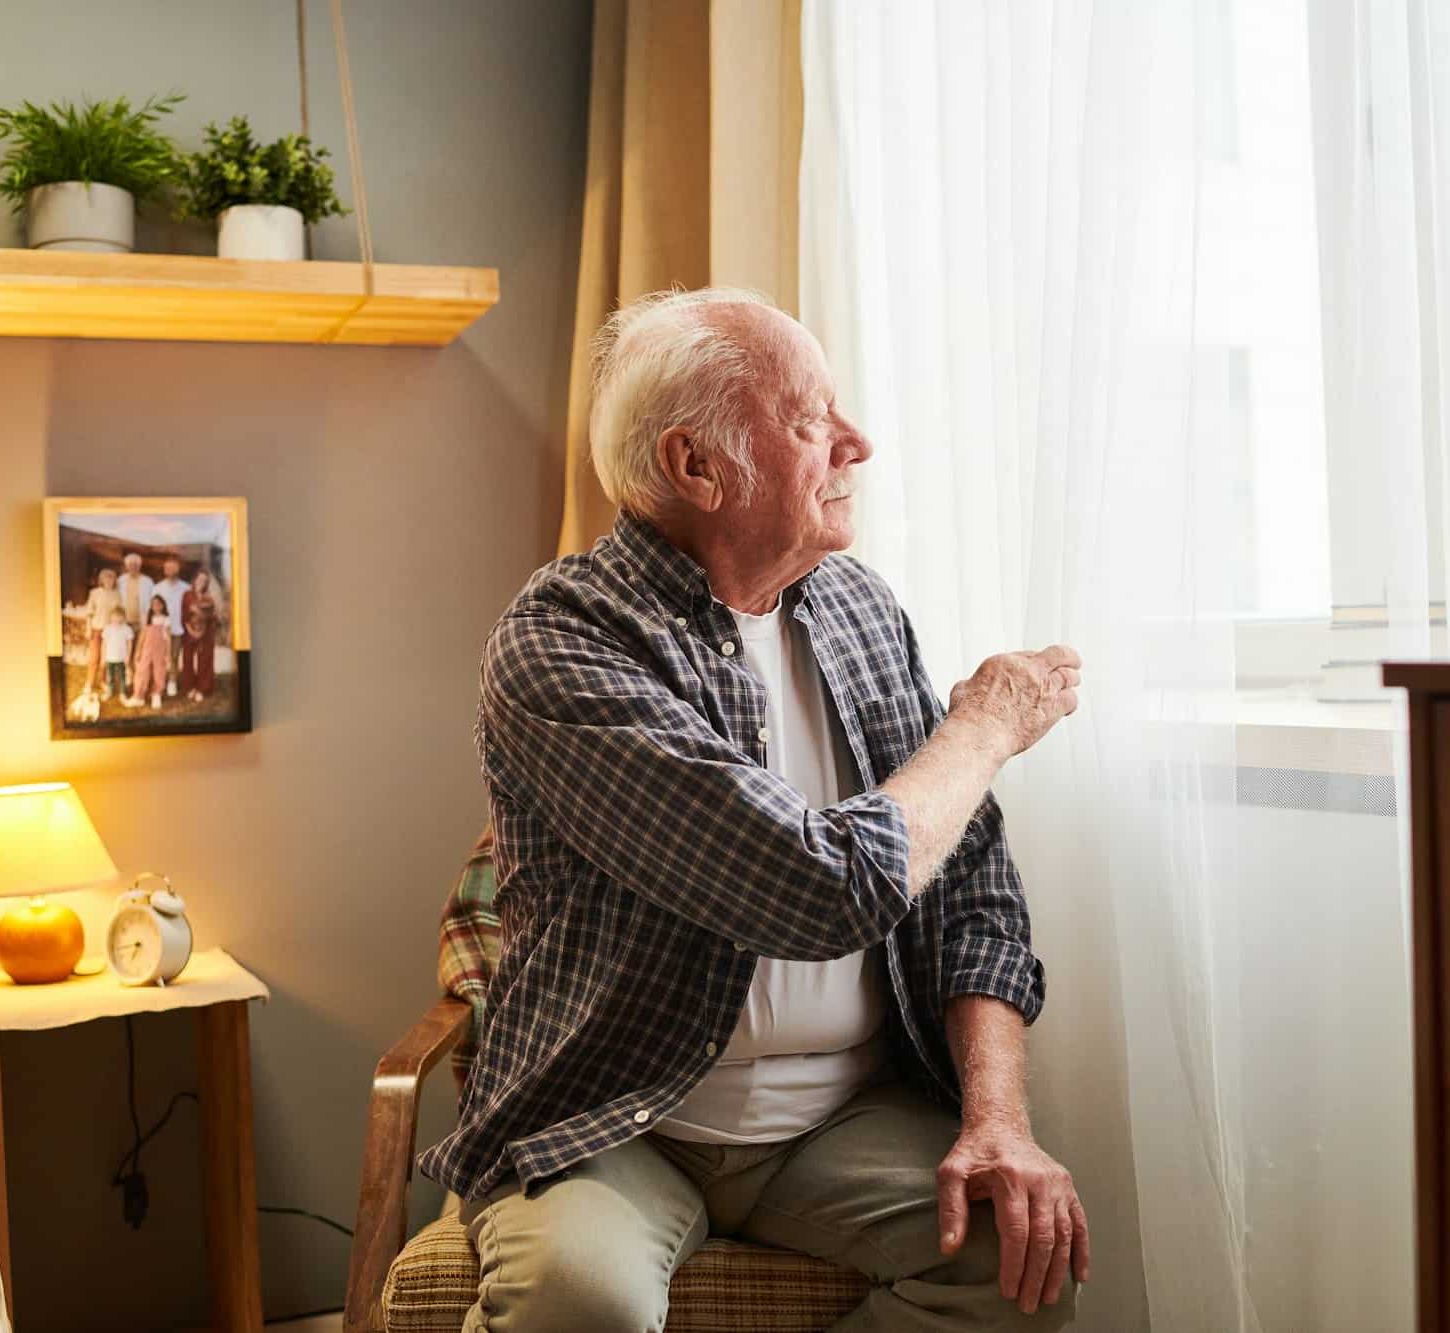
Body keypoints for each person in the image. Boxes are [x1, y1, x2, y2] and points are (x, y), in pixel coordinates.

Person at [418, 289, 1086, 1331]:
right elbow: (816, 888)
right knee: (576, 1300)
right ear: (697, 467)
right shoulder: (565, 643)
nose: (855, 442)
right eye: (812, 417)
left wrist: (997, 1117)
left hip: (841, 1114)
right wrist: (986, 724)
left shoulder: (859, 608)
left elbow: (970, 893)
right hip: (616, 1114)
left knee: (1019, 1253)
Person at [179, 569, 220, 702]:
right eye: (199, 579)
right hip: (189, 631)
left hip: (206, 633)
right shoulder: (187, 595)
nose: (201, 582)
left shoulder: (209, 597)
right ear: (195, 579)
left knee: (205, 661)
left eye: (204, 580)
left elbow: (213, 617)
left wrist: (204, 629)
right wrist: (191, 631)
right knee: (188, 660)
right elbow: (184, 615)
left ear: (206, 583)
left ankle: (203, 688)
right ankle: (190, 687)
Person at [154, 556, 191, 696]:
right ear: (164, 570)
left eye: (172, 567)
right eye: (167, 568)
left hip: (178, 629)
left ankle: (172, 682)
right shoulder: (158, 587)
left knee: (174, 656)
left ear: (178, 569)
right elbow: (153, 608)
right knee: (161, 656)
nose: (169, 570)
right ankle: (160, 681)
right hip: (160, 628)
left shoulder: (186, 588)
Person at [83, 567, 121, 699]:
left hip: (110, 632)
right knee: (94, 658)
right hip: (97, 629)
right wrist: (88, 629)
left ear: (114, 580)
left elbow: (120, 613)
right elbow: (89, 613)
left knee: (106, 659)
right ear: (101, 580)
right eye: (106, 578)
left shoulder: (117, 594)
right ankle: (89, 683)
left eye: (111, 578)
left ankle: (104, 681)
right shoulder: (94, 593)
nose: (109, 580)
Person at [132, 594, 173, 710]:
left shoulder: (166, 619)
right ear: (151, 606)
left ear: (163, 605)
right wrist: (138, 650)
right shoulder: (147, 618)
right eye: (153, 604)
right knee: (142, 670)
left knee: (159, 671)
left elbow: (168, 638)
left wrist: (168, 654)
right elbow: (142, 635)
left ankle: (156, 694)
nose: (156, 606)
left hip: (160, 649)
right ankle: (139, 695)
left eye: (159, 604)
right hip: (147, 648)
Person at [100, 605, 135, 706]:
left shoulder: (126, 629)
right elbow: (104, 643)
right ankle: (109, 691)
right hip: (110, 657)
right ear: (111, 617)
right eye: (114, 617)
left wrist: (128, 656)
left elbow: (130, 643)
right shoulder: (107, 628)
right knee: (110, 676)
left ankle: (123, 693)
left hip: (122, 658)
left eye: (120, 617)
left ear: (124, 617)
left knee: (123, 676)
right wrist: (103, 656)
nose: (117, 619)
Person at [115, 552, 153, 628]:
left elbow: (152, 600)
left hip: (142, 620)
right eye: (130, 565)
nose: (133, 567)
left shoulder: (148, 581)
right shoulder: (120, 580)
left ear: (140, 566)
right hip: (123, 620)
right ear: (126, 566)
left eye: (136, 565)